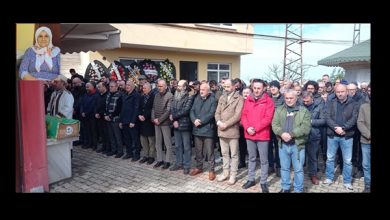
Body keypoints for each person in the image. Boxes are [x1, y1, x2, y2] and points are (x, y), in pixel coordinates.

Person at [272, 89, 311, 193]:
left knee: (298, 169)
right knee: (284, 168)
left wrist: (291, 134)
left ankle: (298, 189)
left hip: (297, 145)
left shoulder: (303, 111)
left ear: (296, 98)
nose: (289, 100)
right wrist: (281, 133)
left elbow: (306, 127)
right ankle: (286, 188)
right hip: (283, 145)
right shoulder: (279, 109)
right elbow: (274, 124)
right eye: (287, 98)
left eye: (291, 98)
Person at [241, 79, 274, 192]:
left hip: (262, 135)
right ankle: (251, 179)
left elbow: (268, 119)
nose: (256, 90)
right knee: (251, 158)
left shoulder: (268, 101)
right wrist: (247, 127)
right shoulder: (248, 100)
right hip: (249, 134)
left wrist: (255, 128)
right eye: (254, 88)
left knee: (264, 160)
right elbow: (244, 115)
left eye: (259, 88)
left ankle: (263, 182)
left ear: (264, 88)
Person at [215, 79, 244, 185]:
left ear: (234, 87)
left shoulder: (239, 98)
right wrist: (219, 122)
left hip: (232, 130)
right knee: (224, 153)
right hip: (221, 130)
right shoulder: (222, 97)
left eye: (227, 86)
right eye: (224, 86)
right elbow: (217, 112)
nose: (225, 88)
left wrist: (226, 124)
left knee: (234, 154)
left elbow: (237, 115)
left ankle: (233, 175)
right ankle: (225, 173)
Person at [357, 84, 371, 192]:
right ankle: (368, 185)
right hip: (366, 140)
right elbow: (360, 122)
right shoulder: (364, 106)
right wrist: (369, 135)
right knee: (366, 165)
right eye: (369, 91)